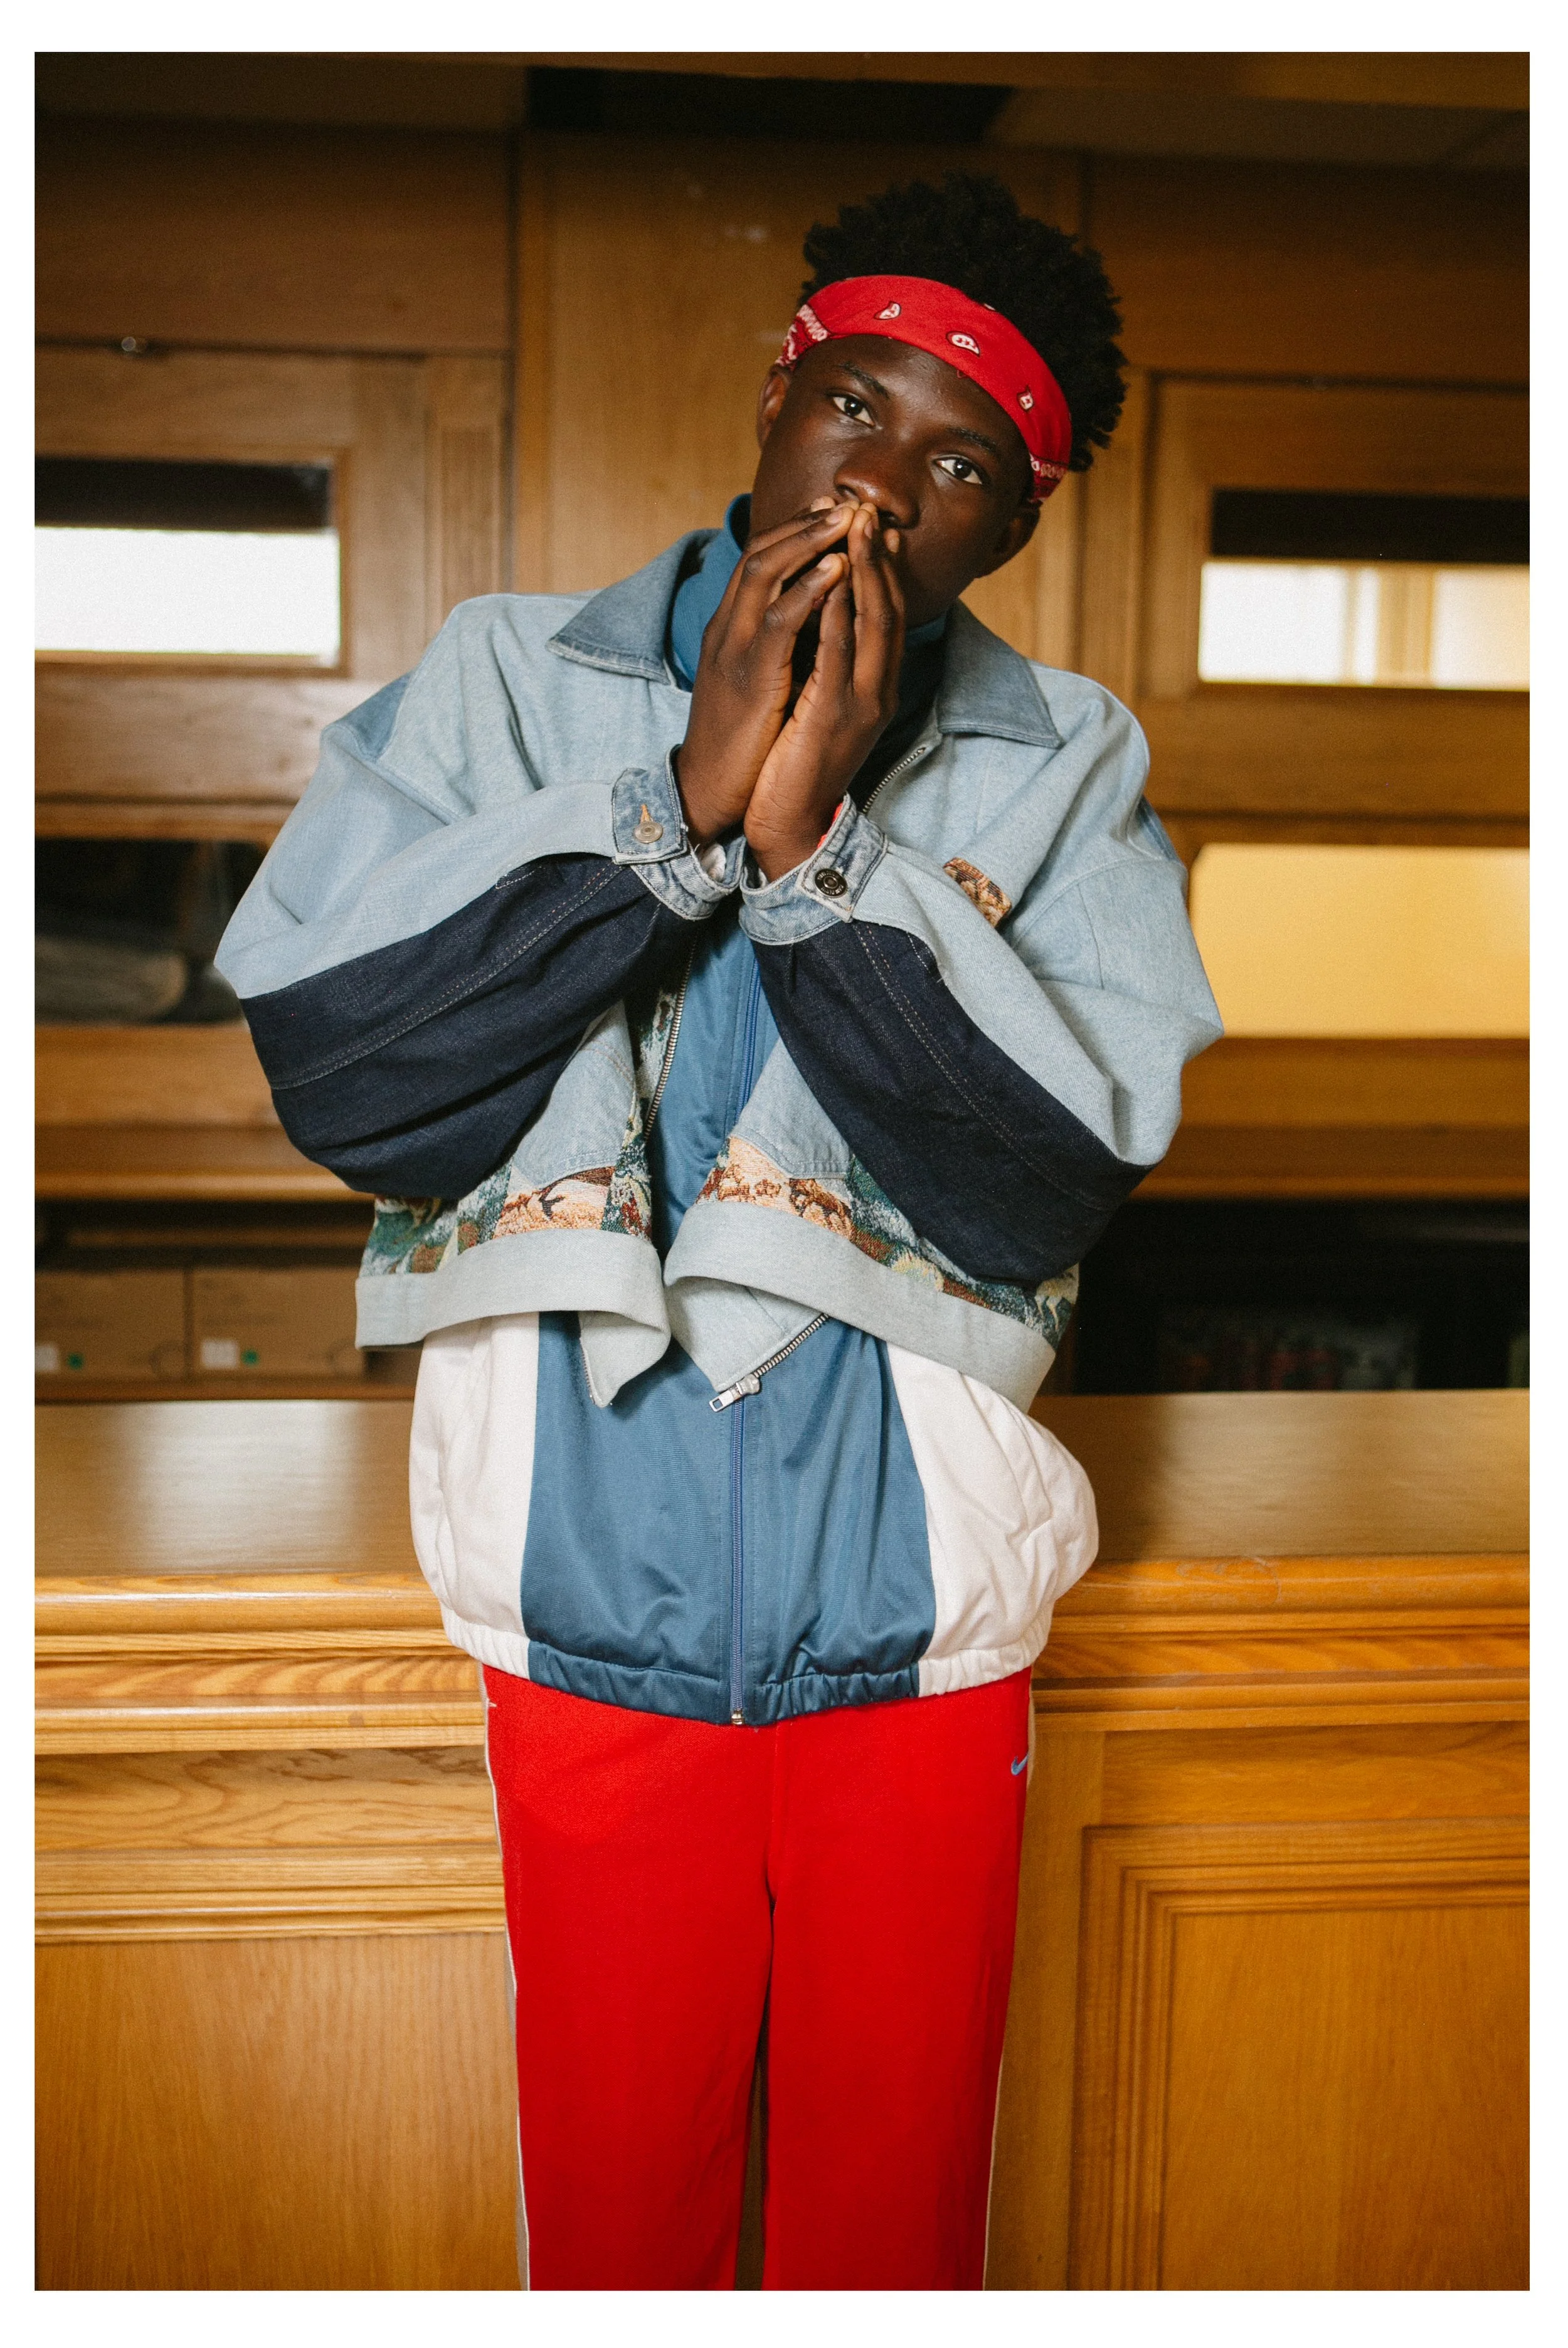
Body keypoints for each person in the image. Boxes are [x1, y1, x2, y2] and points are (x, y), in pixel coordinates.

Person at [217, 172, 1222, 2290]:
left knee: (891, 2216)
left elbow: (1042, 1178)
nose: (887, 489)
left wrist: (818, 850)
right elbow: (351, 1083)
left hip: (922, 1602)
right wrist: (677, 806)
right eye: (855, 411)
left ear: (1009, 532)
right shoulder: (499, 678)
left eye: (967, 470)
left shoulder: (1063, 759)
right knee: (617, 2208)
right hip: (582, 1572)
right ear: (777, 400)